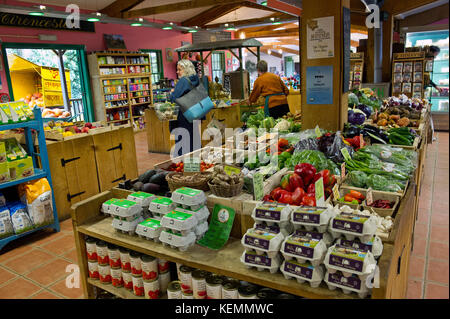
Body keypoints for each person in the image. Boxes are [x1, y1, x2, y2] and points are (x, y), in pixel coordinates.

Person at [169, 59, 202, 156]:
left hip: (183, 117)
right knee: (193, 140)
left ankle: (185, 166)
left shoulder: (183, 81)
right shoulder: (195, 79)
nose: (177, 72)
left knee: (183, 143)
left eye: (179, 70)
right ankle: (195, 164)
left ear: (186, 69)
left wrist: (171, 93)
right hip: (194, 115)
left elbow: (174, 98)